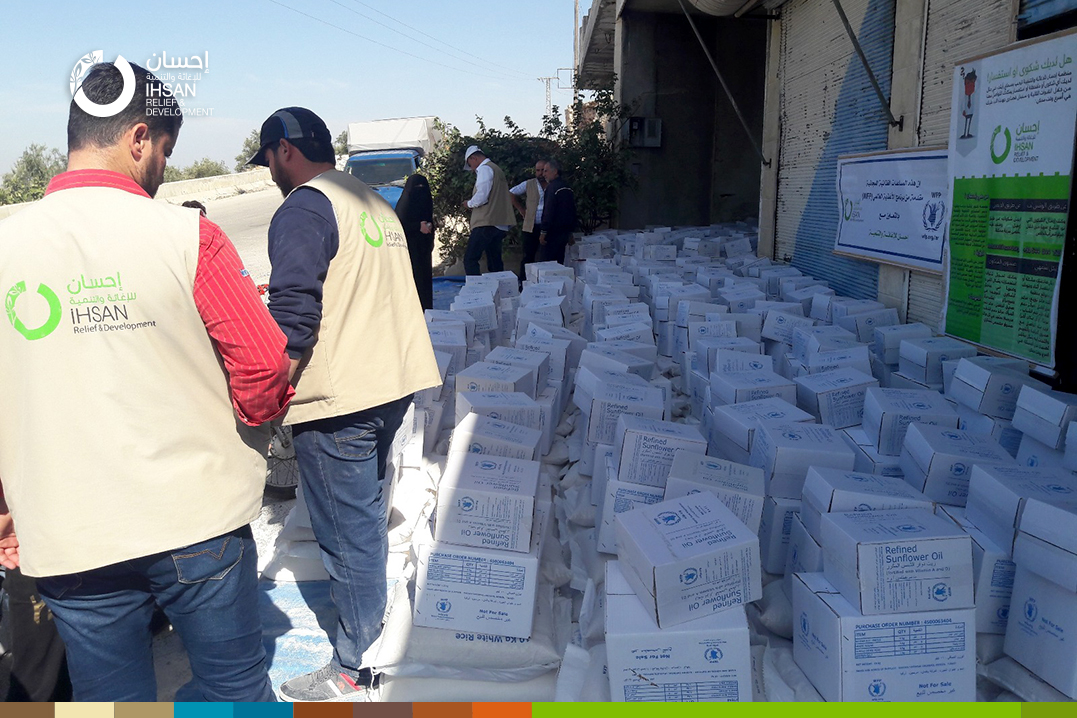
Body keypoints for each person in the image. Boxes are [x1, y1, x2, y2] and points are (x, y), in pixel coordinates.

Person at [0, 62, 293, 702]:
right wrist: (245, 428)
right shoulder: (190, 237)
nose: (163, 169)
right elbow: (266, 365)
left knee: (110, 703)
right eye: (164, 151)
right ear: (138, 139)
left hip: (68, 532)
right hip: (196, 524)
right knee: (234, 690)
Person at [248, 107, 441, 702]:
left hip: (341, 401)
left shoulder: (305, 206)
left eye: (271, 161)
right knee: (365, 522)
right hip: (391, 383)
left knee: (348, 534)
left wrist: (270, 393)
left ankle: (356, 665)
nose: (271, 175)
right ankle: (373, 633)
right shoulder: (372, 201)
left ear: (285, 150)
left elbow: (294, 312)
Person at [461, 145, 515, 275]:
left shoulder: (484, 169)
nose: (472, 169)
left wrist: (468, 203)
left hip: (486, 222)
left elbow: (482, 197)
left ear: (474, 158)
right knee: (494, 261)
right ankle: (499, 290)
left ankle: (477, 291)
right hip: (499, 223)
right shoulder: (496, 169)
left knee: (470, 259)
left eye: (471, 164)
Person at [395, 172, 435, 310]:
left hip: (423, 247)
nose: (421, 190)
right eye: (417, 187)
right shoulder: (403, 206)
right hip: (409, 247)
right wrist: (418, 226)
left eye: (423, 187)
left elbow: (429, 216)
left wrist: (429, 228)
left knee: (424, 281)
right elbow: (400, 224)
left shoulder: (426, 201)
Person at [509, 159, 548, 280]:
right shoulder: (529, 183)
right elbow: (511, 193)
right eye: (538, 170)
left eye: (543, 170)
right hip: (530, 226)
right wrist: (521, 209)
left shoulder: (553, 184)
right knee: (528, 256)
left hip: (547, 226)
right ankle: (523, 282)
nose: (540, 173)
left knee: (546, 257)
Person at [538, 158, 577, 264]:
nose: (543, 174)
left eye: (546, 171)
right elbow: (571, 211)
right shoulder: (567, 187)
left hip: (552, 233)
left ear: (555, 171)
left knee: (546, 264)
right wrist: (570, 232)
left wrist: (543, 231)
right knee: (559, 262)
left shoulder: (552, 188)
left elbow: (548, 210)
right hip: (564, 233)